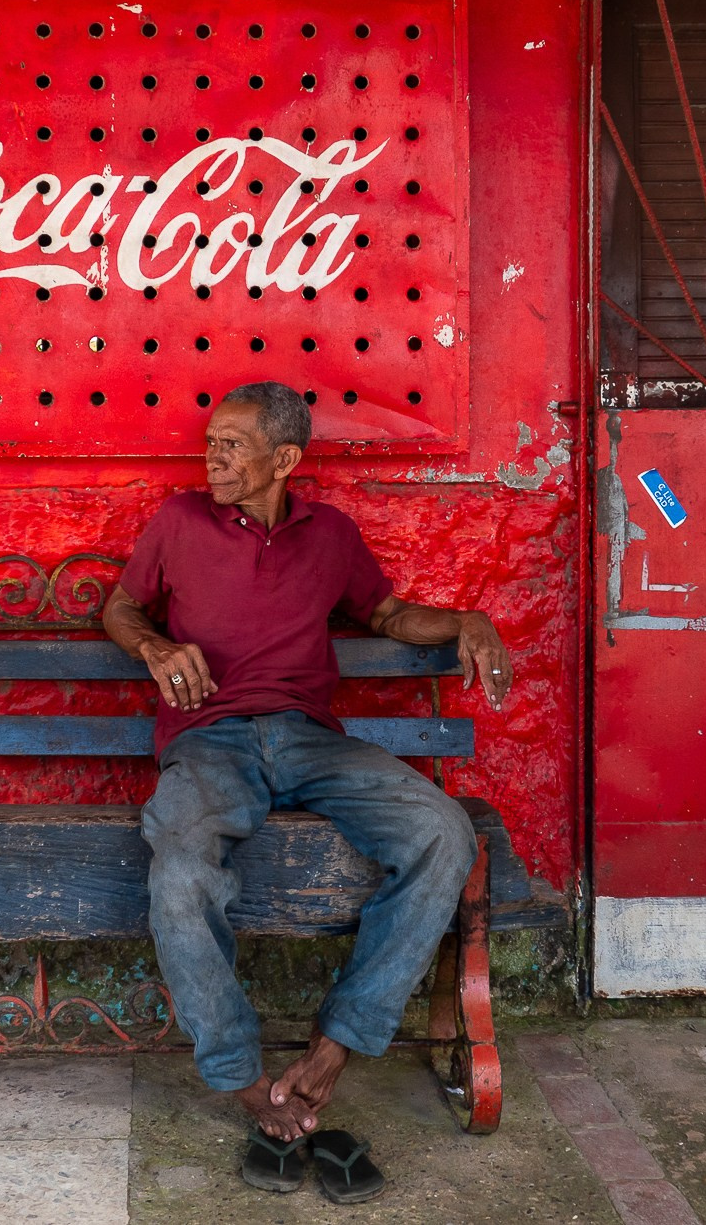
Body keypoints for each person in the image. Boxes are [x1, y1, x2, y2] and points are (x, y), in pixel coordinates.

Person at [103, 380, 513, 1192]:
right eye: (210, 440)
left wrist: (466, 620)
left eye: (231, 443)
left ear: (283, 459)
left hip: (308, 739)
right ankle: (241, 1074)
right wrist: (153, 647)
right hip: (210, 740)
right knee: (181, 864)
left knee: (443, 831)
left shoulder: (330, 534)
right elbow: (120, 605)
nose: (211, 454)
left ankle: (335, 1047)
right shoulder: (179, 522)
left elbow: (389, 614)